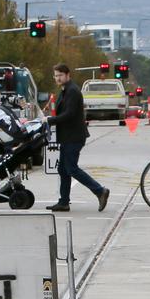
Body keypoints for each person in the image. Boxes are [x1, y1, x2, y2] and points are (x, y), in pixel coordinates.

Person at [46, 63, 110, 212]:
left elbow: (69, 114)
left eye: (60, 75)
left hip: (74, 137)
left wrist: (50, 120)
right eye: (56, 76)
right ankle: (63, 202)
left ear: (68, 75)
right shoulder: (65, 90)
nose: (58, 78)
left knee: (71, 168)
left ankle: (100, 191)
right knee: (63, 169)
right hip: (67, 136)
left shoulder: (73, 91)